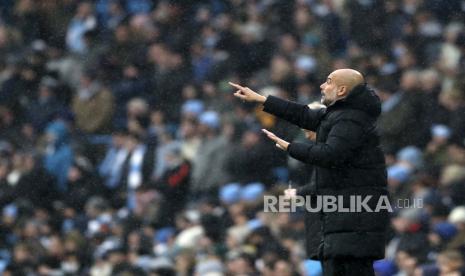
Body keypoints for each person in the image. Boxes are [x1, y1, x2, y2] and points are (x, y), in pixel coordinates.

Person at [230, 69, 389, 276]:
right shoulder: (340, 115)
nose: (323, 86)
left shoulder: (351, 120)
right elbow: (302, 114)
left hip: (353, 222)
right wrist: (261, 99)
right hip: (344, 222)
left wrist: (290, 147)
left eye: (328, 82)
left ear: (342, 90)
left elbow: (331, 154)